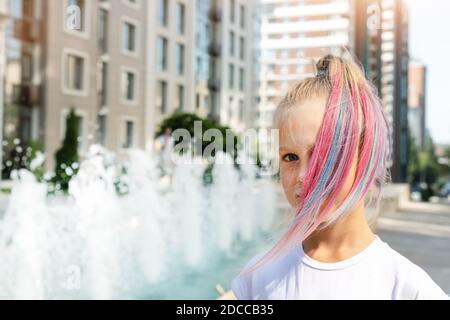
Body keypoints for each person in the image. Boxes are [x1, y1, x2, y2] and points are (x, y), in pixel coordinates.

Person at [230, 54, 449, 300]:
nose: (303, 175)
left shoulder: (406, 287)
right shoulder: (258, 277)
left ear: (364, 156)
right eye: (290, 157)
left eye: (323, 154)